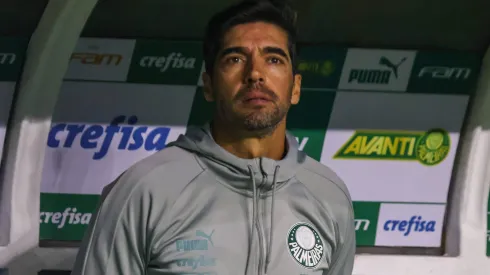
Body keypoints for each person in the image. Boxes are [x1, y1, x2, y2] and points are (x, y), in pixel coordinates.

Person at [71, 0, 356, 274]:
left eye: (273, 59)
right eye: (235, 58)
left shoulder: (330, 196)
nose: (255, 73)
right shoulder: (142, 191)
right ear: (208, 85)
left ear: (295, 88)